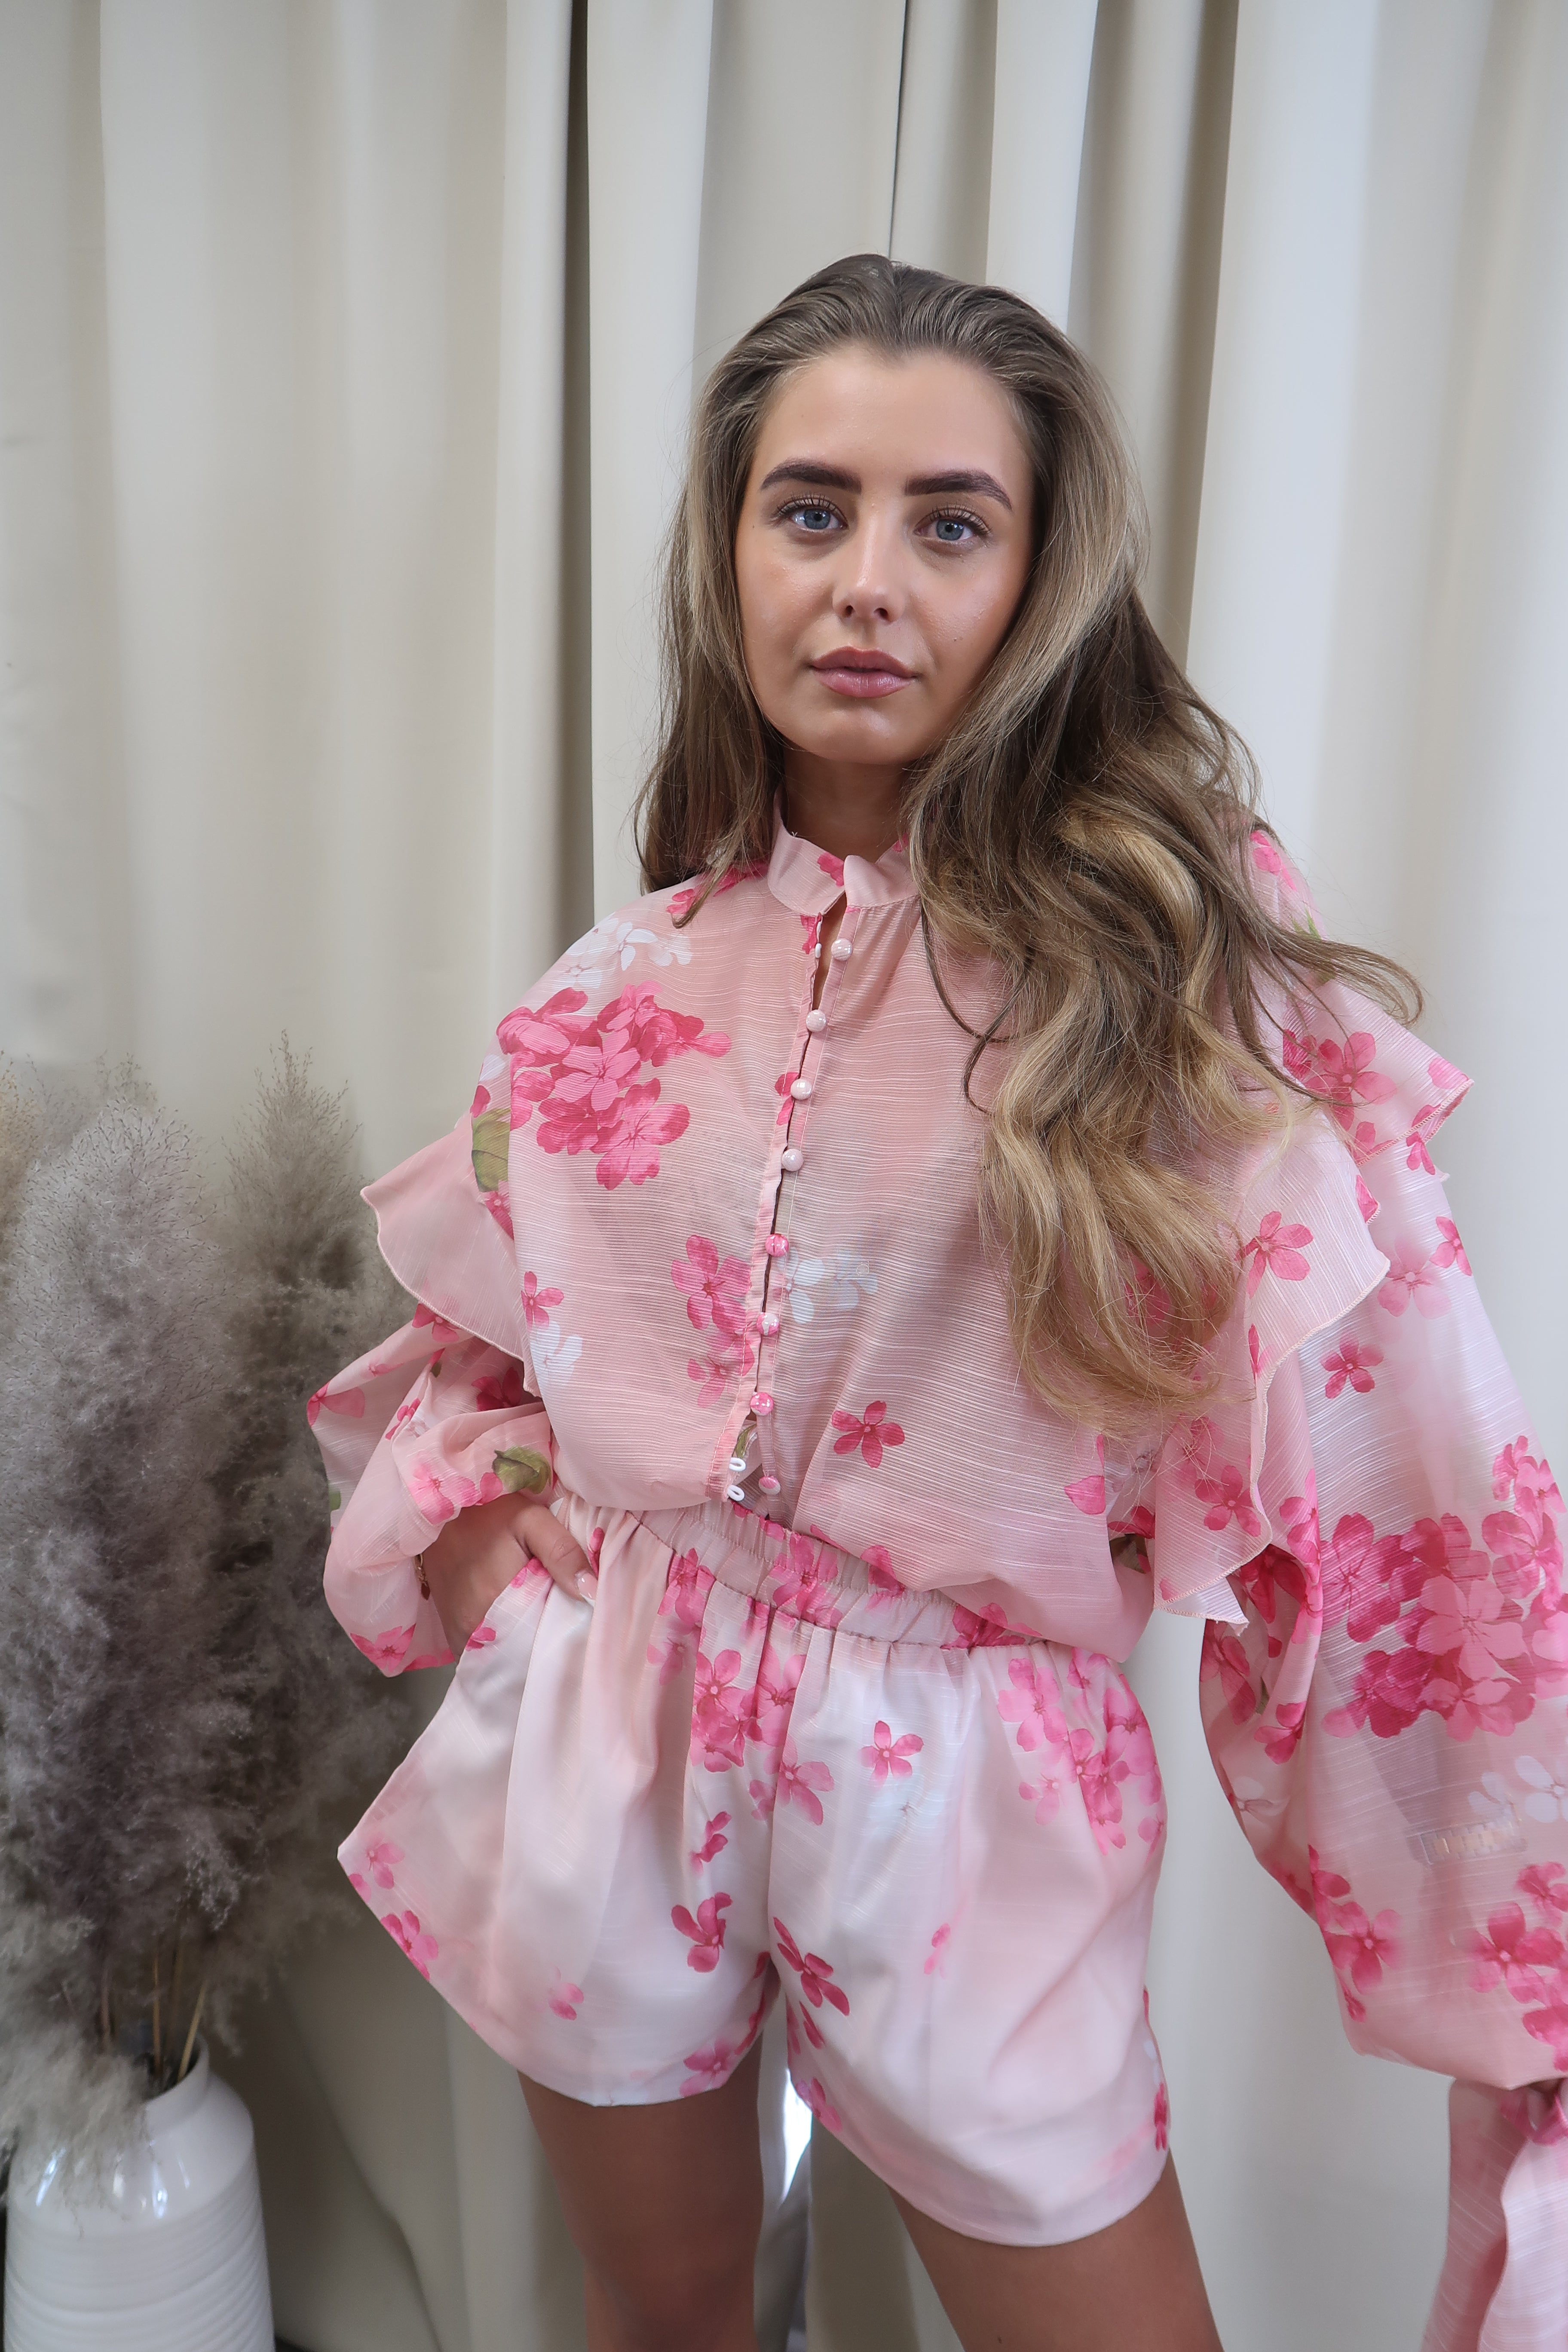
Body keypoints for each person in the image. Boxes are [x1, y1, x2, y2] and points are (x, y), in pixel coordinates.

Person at [311, 256, 1568, 2352]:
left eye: (949, 524)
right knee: (660, 2305)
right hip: (614, 1730)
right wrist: (478, 1531)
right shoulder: (619, 989)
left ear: (1039, 576)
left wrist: (1518, 1926)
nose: (867, 583)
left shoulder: (1175, 989)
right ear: (731, 551)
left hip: (970, 1781)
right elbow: (478, 1349)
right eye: (810, 511)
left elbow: (1412, 1477)